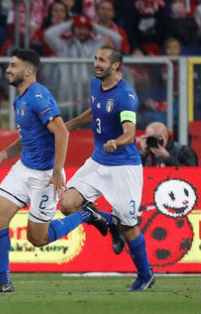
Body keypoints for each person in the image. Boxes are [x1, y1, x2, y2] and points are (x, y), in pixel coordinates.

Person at [0, 48, 107, 293]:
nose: (7, 70)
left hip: (45, 177)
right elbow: (30, 136)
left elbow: (62, 132)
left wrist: (57, 171)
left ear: (29, 71)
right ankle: (4, 282)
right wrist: (3, 155)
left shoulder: (38, 97)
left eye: (13, 65)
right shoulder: (20, 97)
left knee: (37, 239)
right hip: (23, 169)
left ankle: (86, 215)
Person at [62, 46, 155, 291]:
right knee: (67, 204)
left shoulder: (126, 96)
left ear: (116, 66)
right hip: (97, 161)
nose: (96, 63)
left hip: (123, 167)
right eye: (95, 59)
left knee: (129, 226)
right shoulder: (96, 84)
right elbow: (96, 110)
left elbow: (130, 133)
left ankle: (145, 275)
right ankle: (109, 224)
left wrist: (117, 141)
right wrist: (69, 125)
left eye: (102, 60)